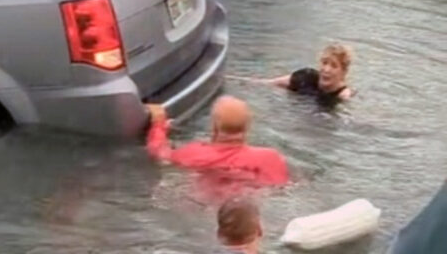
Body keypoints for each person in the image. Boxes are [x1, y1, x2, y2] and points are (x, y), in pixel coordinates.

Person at [145, 96, 289, 188]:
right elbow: (281, 188)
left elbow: (159, 152)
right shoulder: (270, 158)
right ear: (248, 127)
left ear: (214, 127)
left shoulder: (193, 153)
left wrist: (158, 124)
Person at [244, 43, 354, 106]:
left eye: (334, 66)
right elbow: (269, 83)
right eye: (324, 63)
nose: (326, 69)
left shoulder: (342, 96)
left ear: (343, 72)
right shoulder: (306, 77)